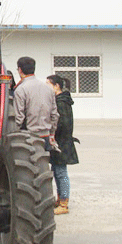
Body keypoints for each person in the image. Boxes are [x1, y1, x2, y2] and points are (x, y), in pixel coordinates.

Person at [46, 74, 79, 215]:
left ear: (56, 86)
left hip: (62, 142)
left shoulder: (61, 103)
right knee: (57, 171)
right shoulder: (59, 100)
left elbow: (63, 124)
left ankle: (64, 203)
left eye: (48, 84)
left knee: (61, 173)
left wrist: (53, 134)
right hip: (60, 141)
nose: (46, 86)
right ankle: (60, 199)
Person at [13, 56, 60, 152]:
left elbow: (19, 118)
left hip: (29, 136)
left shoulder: (21, 90)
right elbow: (54, 115)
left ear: (20, 70)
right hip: (46, 135)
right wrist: (51, 134)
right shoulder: (48, 89)